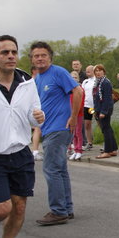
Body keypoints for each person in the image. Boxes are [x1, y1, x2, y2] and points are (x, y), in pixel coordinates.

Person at [0, 35, 45, 238]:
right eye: (5, 52)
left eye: (13, 52)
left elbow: (33, 112)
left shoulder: (27, 81)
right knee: (2, 207)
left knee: (20, 206)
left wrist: (38, 117)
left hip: (20, 152)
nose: (11, 56)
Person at [31, 41, 82, 226]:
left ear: (50, 57)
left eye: (43, 55)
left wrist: (74, 117)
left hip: (59, 129)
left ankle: (58, 211)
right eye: (36, 55)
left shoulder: (58, 72)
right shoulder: (38, 79)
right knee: (60, 169)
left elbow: (77, 91)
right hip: (48, 128)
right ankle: (66, 209)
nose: (40, 58)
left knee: (51, 169)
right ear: (32, 59)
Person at [93, 64, 118, 159]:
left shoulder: (105, 82)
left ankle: (107, 151)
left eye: (100, 70)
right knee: (108, 128)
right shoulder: (98, 82)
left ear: (104, 72)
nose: (98, 72)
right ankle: (113, 149)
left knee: (105, 129)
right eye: (96, 71)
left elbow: (107, 98)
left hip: (105, 109)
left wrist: (103, 111)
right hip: (100, 108)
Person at [69, 71, 85, 161]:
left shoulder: (80, 88)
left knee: (78, 132)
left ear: (78, 79)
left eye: (75, 77)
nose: (73, 79)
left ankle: (79, 150)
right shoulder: (69, 89)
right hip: (70, 114)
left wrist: (76, 111)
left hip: (78, 114)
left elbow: (81, 102)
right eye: (72, 78)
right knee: (73, 133)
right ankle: (75, 149)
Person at [81, 65, 95, 151]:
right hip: (87, 106)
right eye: (86, 71)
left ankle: (106, 142)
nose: (87, 73)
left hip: (95, 106)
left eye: (89, 71)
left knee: (100, 123)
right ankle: (89, 142)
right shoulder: (85, 81)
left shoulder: (96, 80)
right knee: (87, 124)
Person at [30, 66, 43, 161]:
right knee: (37, 129)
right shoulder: (32, 81)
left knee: (38, 129)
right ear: (34, 71)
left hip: (40, 107)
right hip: (38, 107)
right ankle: (35, 151)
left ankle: (35, 151)